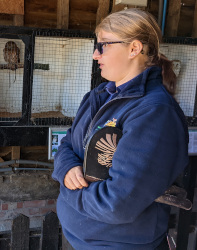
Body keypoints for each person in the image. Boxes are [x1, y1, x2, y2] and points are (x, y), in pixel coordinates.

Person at [52, 8, 189, 250]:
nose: (96, 54)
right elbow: (67, 143)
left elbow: (117, 204)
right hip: (80, 237)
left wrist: (66, 191)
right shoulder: (98, 95)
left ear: (134, 48)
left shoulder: (154, 113)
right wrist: (66, 168)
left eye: (103, 45)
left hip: (118, 244)